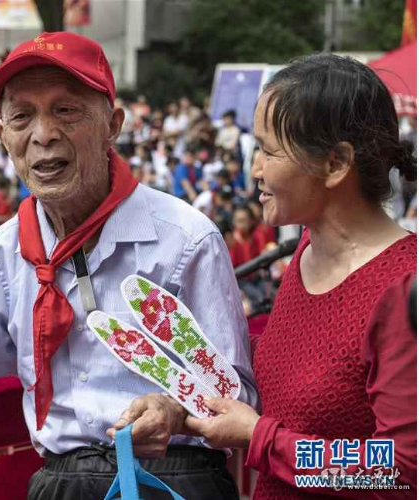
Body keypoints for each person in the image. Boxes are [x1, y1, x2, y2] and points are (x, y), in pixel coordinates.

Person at [0, 31, 257, 500]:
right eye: (22, 117)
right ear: (3, 136)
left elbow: (238, 393)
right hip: (61, 481)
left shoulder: (185, 239)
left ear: (113, 125)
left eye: (66, 111)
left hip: (172, 478)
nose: (43, 135)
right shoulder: (6, 251)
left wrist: (175, 411)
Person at [132, 53, 418, 499]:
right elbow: (289, 384)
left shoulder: (403, 286)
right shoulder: (306, 250)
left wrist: (260, 438)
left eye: (268, 151)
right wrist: (180, 405)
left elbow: (399, 473)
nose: (255, 170)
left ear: (336, 163)